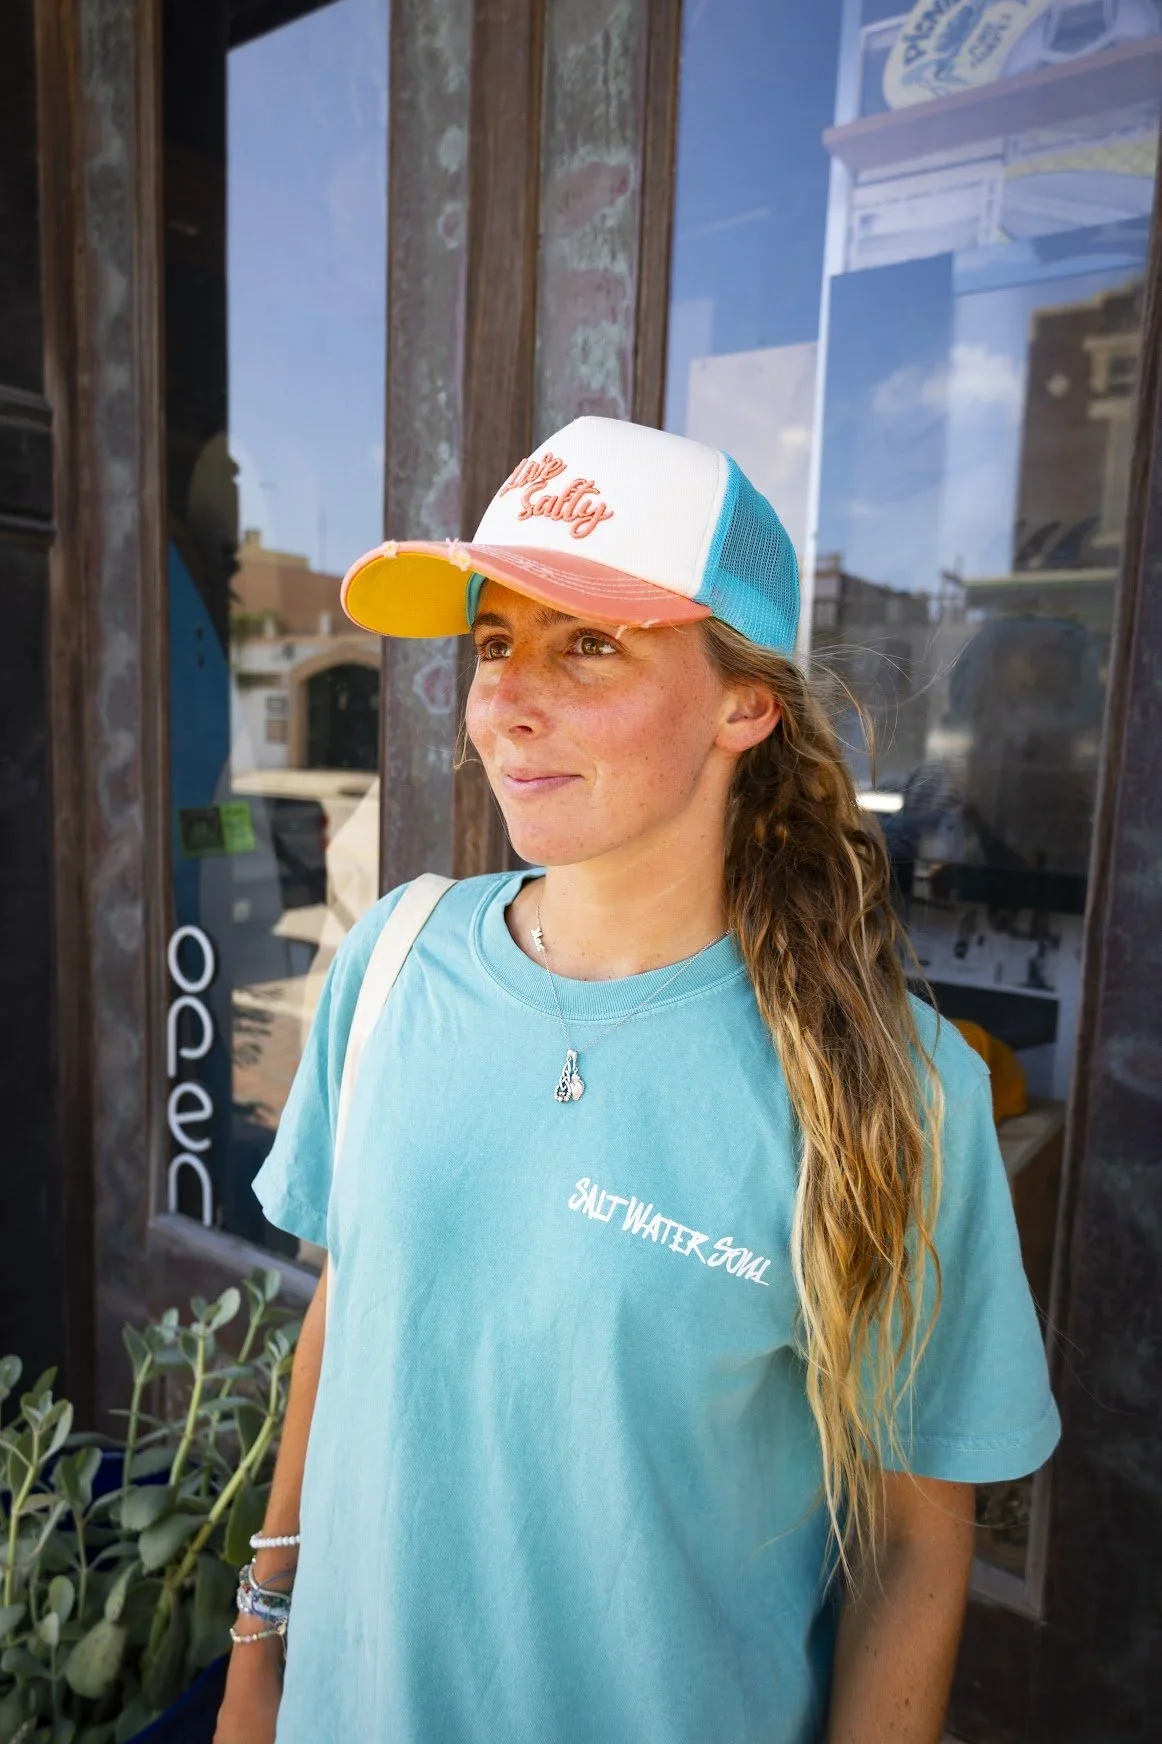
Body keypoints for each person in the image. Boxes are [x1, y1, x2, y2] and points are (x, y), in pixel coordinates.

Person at [213, 417, 1059, 1744]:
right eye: (495, 643)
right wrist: (258, 1660)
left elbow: (910, 1549)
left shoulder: (892, 1089)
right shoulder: (396, 960)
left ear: (745, 701)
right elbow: (350, 1311)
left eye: (588, 642)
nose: (507, 700)